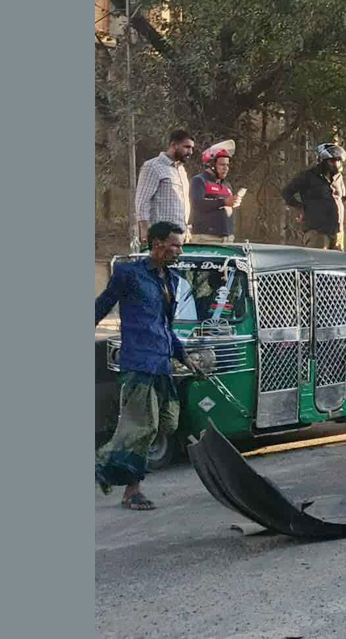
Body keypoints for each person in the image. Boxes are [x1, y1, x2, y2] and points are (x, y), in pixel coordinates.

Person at [94, 221, 202, 510]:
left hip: (162, 364)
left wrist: (184, 357)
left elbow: (165, 327)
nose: (179, 250)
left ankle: (104, 467)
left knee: (166, 423)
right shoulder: (129, 274)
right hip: (138, 364)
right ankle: (131, 490)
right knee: (144, 426)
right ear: (156, 244)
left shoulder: (171, 280)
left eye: (180, 245)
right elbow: (103, 304)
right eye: (175, 245)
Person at [133, 130, 195, 247]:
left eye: (192, 148)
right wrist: (144, 231)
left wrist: (186, 229)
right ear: (173, 145)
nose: (190, 152)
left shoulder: (181, 170)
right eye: (186, 147)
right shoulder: (152, 166)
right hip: (160, 236)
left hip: (179, 236)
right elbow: (142, 201)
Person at [282, 143, 346, 249]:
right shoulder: (308, 176)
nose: (336, 164)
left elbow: (342, 199)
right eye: (332, 161)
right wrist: (300, 207)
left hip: (337, 232)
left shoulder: (338, 178)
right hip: (317, 232)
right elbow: (286, 192)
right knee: (318, 263)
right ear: (323, 161)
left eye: (338, 161)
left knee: (338, 264)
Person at [188, 141, 246, 243]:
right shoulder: (199, 180)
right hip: (206, 237)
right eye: (222, 164)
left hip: (228, 237)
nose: (226, 168)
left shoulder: (227, 185)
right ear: (212, 165)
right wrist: (224, 202)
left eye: (227, 165)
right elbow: (197, 204)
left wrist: (234, 202)